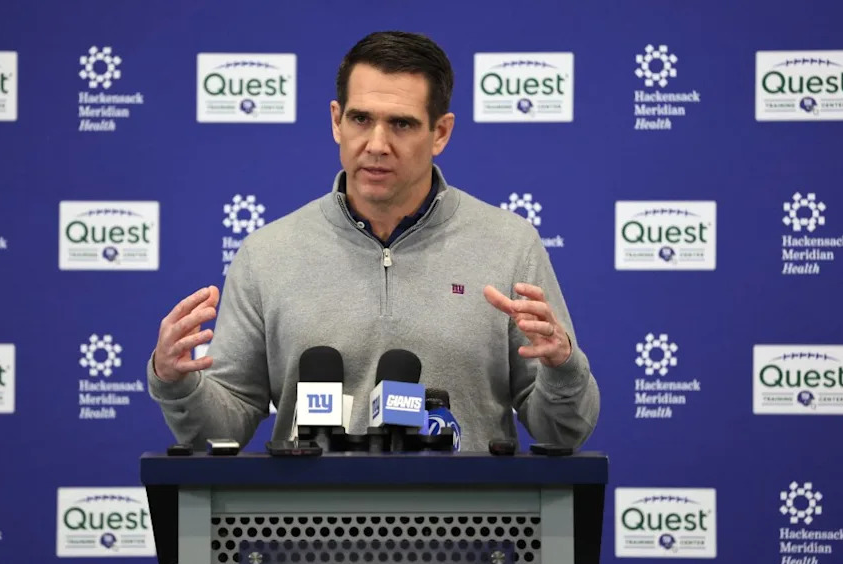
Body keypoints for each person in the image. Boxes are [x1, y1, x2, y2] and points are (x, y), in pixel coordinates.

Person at [148, 31, 599, 451]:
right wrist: (175, 382)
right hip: (307, 530)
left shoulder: (510, 244)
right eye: (361, 119)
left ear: (440, 132)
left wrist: (563, 369)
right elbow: (223, 429)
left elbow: (563, 431)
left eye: (401, 124)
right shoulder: (266, 253)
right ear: (336, 122)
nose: (377, 144)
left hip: (469, 529)